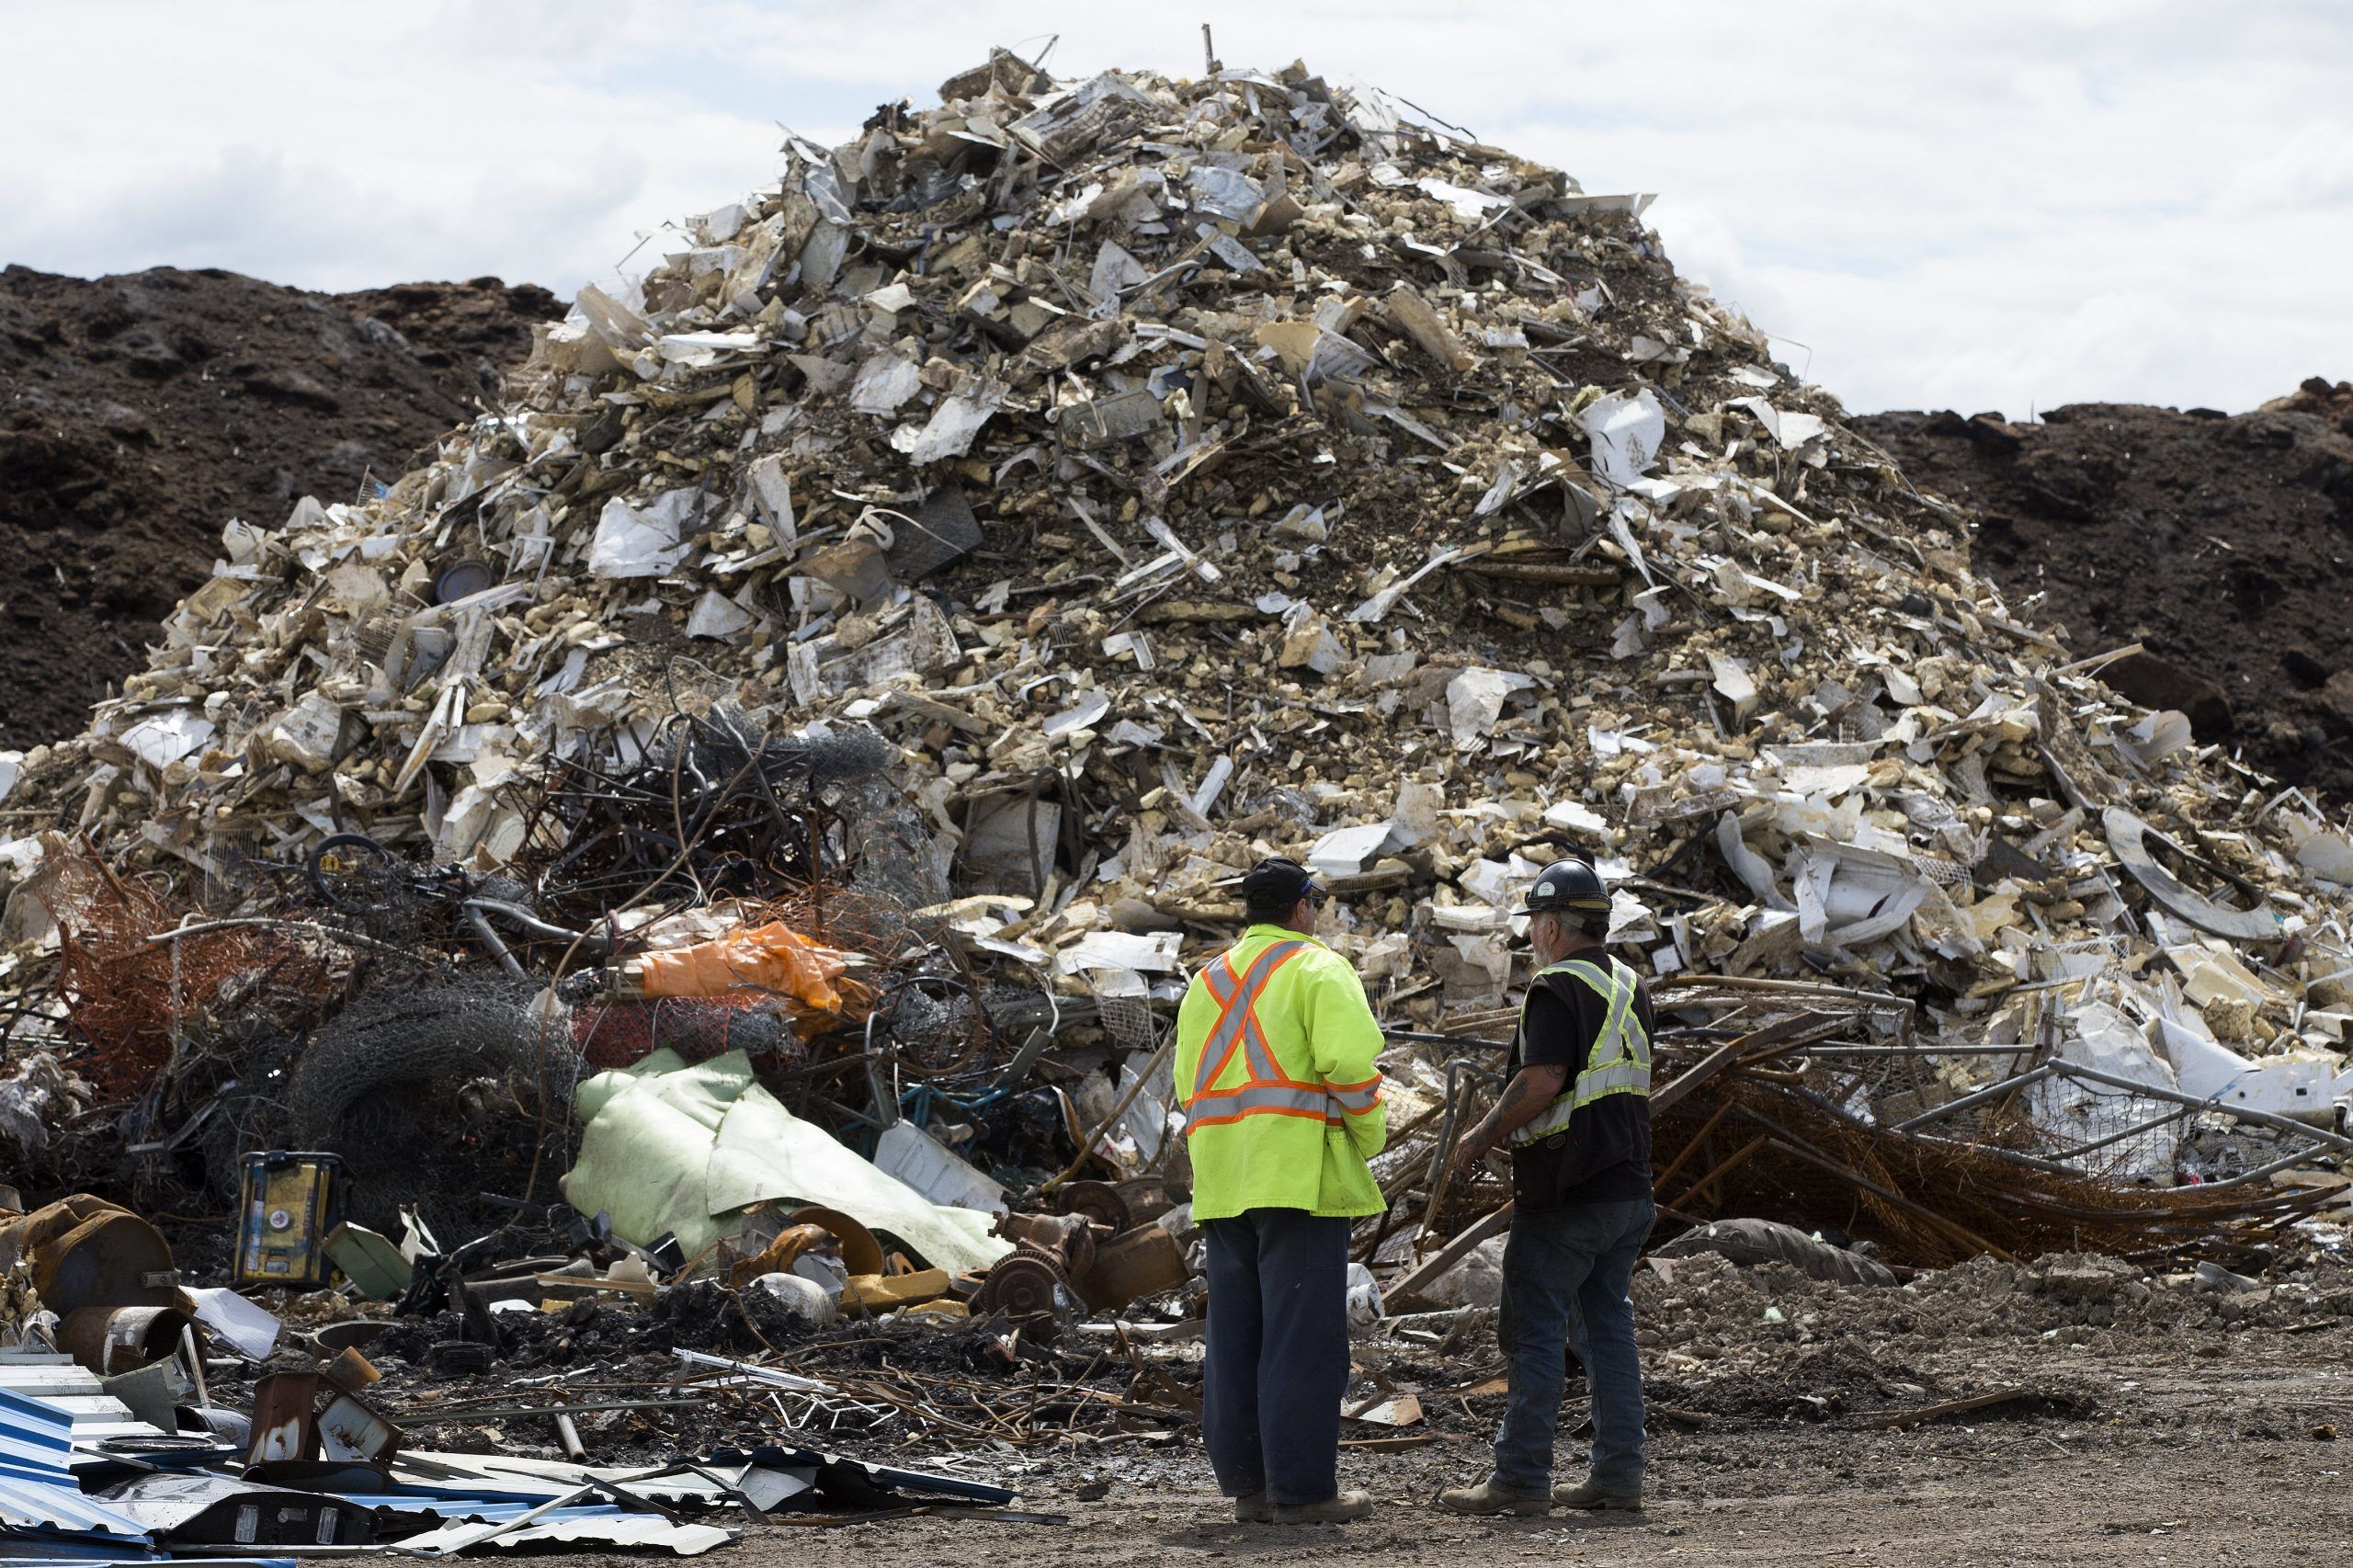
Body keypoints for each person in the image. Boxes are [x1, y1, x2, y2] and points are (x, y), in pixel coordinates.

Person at [1175, 856, 1388, 1525]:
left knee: (1237, 1338)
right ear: (1302, 909)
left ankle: (1250, 1489)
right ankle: (1302, 1493)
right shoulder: (1319, 969)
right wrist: (1370, 1135)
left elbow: (1190, 1088)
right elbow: (1351, 1071)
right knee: (1302, 1340)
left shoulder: (1204, 983)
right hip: (1297, 1179)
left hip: (1222, 1183)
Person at [1438, 858, 1654, 1516]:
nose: (1532, 934)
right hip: (1627, 1189)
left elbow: (1543, 1079)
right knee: (1607, 1330)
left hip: (1567, 1192)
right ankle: (1618, 1476)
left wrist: (1477, 1140)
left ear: (1555, 926)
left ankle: (1520, 1479)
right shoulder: (1630, 986)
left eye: (1535, 921)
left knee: (1533, 1332)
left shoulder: (1555, 987)